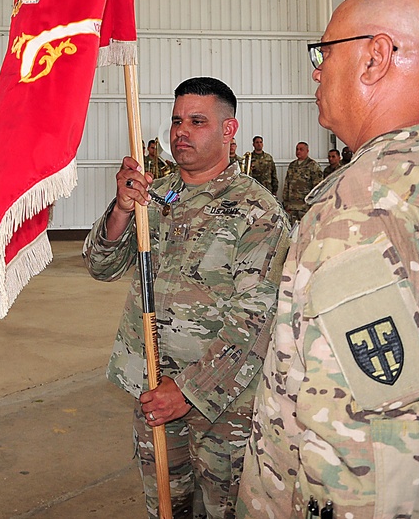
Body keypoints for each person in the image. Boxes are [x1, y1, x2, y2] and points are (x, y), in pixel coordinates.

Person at [236, 0, 419, 519]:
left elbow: (354, 445)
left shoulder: (362, 206)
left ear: (375, 57)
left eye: (324, 53)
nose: (317, 71)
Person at [83, 77, 290, 519]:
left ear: (228, 130)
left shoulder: (258, 212)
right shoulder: (154, 196)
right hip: (152, 386)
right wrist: (121, 209)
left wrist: (190, 390)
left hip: (222, 405)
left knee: (225, 509)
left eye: (198, 121)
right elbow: (100, 265)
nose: (181, 131)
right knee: (166, 507)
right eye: (177, 120)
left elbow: (255, 323)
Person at [281, 141, 322, 225]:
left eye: (301, 149)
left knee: (306, 228)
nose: (298, 151)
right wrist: (285, 202)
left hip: (305, 206)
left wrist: (314, 204)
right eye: (297, 149)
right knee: (292, 229)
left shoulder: (313, 165)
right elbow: (287, 184)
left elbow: (318, 187)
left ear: (307, 151)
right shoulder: (292, 165)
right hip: (292, 206)